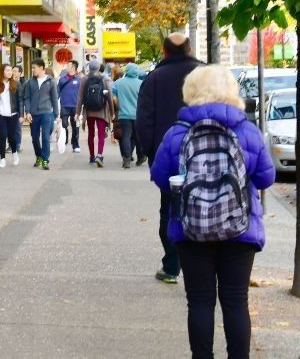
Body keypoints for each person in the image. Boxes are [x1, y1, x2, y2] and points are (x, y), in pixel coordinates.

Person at [150, 65, 276, 359]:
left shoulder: (177, 133)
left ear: (190, 92)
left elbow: (159, 177)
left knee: (199, 301)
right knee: (235, 300)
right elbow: (267, 178)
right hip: (240, 227)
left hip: (190, 228)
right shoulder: (247, 131)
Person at [135, 32, 201, 284]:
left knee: (170, 209)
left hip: (169, 157)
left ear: (164, 52)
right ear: (190, 49)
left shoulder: (153, 79)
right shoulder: (204, 74)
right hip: (205, 153)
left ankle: (172, 266)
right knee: (205, 202)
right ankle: (199, 266)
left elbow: (144, 121)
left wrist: (151, 151)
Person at [76, 60, 115, 167]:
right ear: (99, 68)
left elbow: (80, 97)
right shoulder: (105, 79)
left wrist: (77, 112)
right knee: (101, 134)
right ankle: (99, 155)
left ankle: (92, 157)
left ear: (90, 68)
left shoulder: (84, 79)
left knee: (91, 134)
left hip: (89, 111)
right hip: (101, 110)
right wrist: (112, 112)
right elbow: (109, 97)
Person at [21, 58, 58, 170]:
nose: (33, 70)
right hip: (33, 114)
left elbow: (54, 99)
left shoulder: (51, 81)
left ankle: (45, 160)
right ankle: (39, 156)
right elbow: (26, 98)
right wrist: (27, 112)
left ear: (42, 68)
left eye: (34, 68)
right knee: (34, 137)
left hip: (46, 113)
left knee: (46, 137)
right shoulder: (30, 82)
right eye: (32, 68)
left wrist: (56, 116)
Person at [112, 63, 145, 168]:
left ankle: (126, 159)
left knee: (126, 135)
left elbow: (114, 98)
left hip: (124, 114)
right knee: (139, 136)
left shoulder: (118, 82)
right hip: (138, 115)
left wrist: (120, 106)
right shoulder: (141, 83)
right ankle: (140, 157)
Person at [0, 64, 22, 168]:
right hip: (0, 114)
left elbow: (20, 100)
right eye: (7, 70)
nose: (10, 72)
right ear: (2, 71)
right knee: (3, 135)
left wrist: (21, 114)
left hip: (13, 114)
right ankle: (2, 159)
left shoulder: (16, 84)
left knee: (12, 136)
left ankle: (14, 153)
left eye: (11, 71)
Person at [58, 61, 83, 152]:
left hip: (75, 106)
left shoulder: (79, 79)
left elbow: (81, 94)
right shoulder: (62, 79)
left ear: (73, 68)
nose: (66, 67)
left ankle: (75, 144)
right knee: (64, 124)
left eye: (68, 65)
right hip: (64, 105)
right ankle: (65, 139)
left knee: (75, 126)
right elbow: (57, 92)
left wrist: (81, 106)